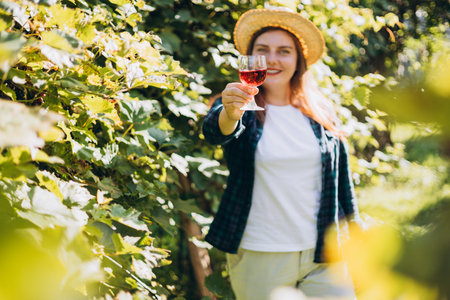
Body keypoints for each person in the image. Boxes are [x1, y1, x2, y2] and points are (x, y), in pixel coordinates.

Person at [202, 8, 363, 300]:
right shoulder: (241, 109)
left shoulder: (321, 113)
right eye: (263, 50)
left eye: (284, 51)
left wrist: (357, 237)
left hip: (324, 252)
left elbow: (343, 186)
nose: (273, 59)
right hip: (261, 253)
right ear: (250, 59)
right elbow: (217, 129)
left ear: (298, 61)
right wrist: (230, 111)